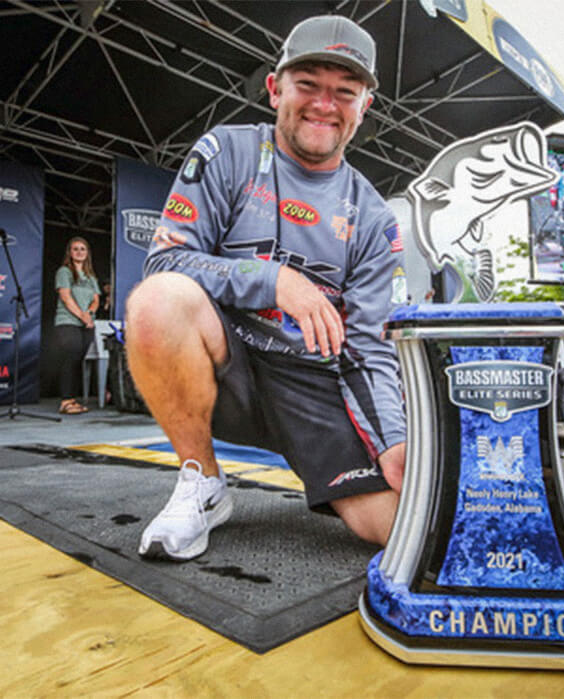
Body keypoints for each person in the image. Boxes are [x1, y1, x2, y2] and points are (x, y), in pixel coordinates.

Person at [124, 14, 407, 561]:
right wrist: (273, 280)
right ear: (276, 89)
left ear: (363, 107)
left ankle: (346, 471)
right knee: (158, 303)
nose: (325, 104)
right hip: (233, 367)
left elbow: (372, 347)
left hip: (318, 385)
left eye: (344, 93)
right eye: (309, 86)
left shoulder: (375, 218)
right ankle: (202, 482)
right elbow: (163, 264)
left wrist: (391, 440)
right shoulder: (226, 152)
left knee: (399, 528)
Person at [53, 237, 101, 415]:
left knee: (77, 361)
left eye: (83, 249)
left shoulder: (90, 277)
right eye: (75, 249)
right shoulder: (64, 272)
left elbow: (96, 299)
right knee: (69, 358)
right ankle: (65, 402)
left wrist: (89, 313)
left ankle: (72, 400)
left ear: (87, 253)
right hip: (68, 322)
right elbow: (65, 297)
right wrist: (83, 316)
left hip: (86, 324)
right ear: (70, 253)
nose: (79, 252)